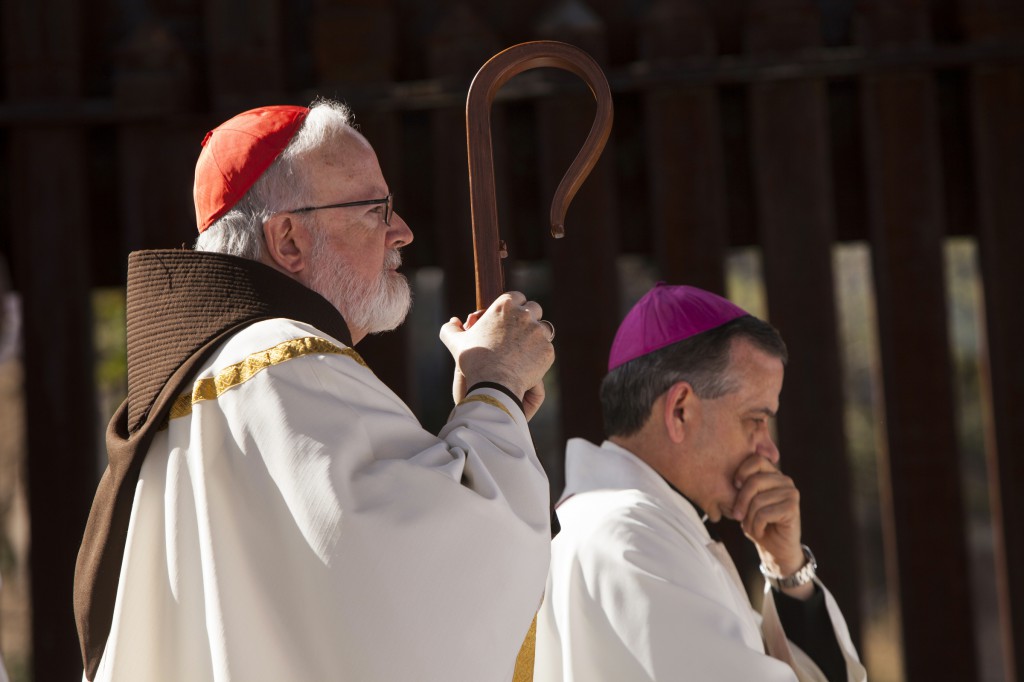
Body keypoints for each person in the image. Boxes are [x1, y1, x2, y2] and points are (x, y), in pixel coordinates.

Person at [74, 100, 556, 681]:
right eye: (375, 210)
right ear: (289, 242)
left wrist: (483, 410)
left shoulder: (211, 380)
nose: (401, 232)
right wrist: (496, 386)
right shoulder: (285, 362)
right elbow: (421, 573)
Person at [535, 284, 866, 681]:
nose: (769, 450)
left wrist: (787, 570)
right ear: (680, 411)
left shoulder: (629, 522)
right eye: (756, 420)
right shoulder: (632, 537)